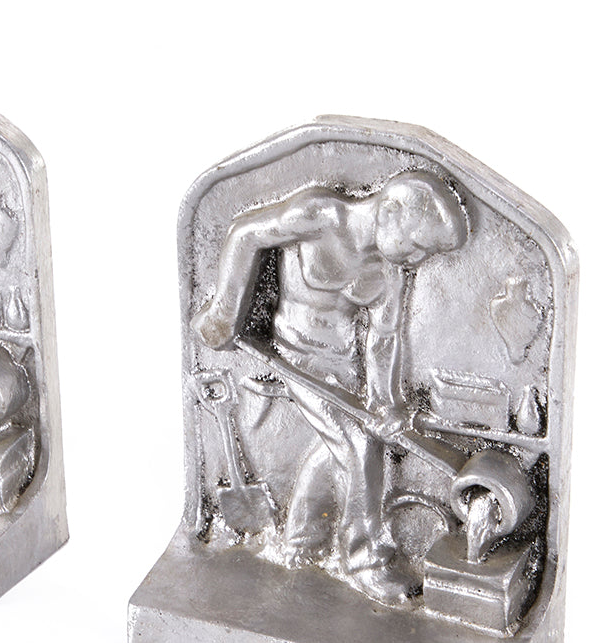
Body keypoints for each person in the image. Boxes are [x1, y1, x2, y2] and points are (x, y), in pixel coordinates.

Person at [192, 170, 468, 603]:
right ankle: (364, 560)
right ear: (390, 212)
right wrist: (225, 313)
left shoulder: (391, 272)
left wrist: (384, 402)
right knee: (358, 445)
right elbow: (246, 235)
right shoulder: (320, 215)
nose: (417, 259)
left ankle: (300, 541)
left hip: (343, 366)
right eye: (417, 245)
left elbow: (383, 339)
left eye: (426, 253)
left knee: (338, 447)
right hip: (293, 355)